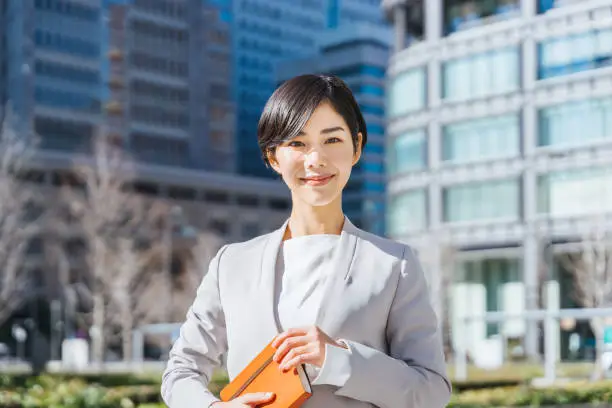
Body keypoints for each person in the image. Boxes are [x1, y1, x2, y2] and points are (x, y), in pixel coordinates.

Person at [161, 74, 451, 408]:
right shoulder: (232, 264)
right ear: (273, 156)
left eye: (332, 140)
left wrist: (338, 360)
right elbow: (180, 372)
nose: (315, 159)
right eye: (297, 143)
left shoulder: (394, 265)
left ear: (356, 147)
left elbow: (431, 392)